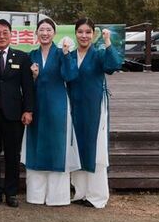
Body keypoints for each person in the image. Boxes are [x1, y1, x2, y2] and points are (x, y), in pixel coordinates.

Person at [21, 19, 79, 206]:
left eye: (48, 30)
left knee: (57, 147)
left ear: (54, 33)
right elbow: (26, 85)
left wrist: (67, 54)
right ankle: (36, 196)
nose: (45, 33)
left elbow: (70, 76)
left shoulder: (61, 53)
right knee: (36, 145)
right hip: (36, 106)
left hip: (57, 105)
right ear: (36, 34)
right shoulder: (32, 55)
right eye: (41, 30)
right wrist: (34, 77)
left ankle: (57, 197)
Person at [68, 18, 122, 209]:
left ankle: (97, 195)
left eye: (88, 32)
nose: (84, 35)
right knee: (78, 149)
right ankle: (81, 192)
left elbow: (114, 65)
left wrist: (108, 42)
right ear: (75, 33)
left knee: (95, 150)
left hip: (94, 108)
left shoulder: (99, 54)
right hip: (74, 107)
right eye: (80, 32)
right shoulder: (70, 55)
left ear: (94, 34)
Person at [0, 19, 34, 207]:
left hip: (14, 115)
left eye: (5, 32)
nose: (1, 36)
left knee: (13, 156)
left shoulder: (22, 57)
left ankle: (11, 193)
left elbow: (27, 87)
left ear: (11, 35)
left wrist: (28, 110)